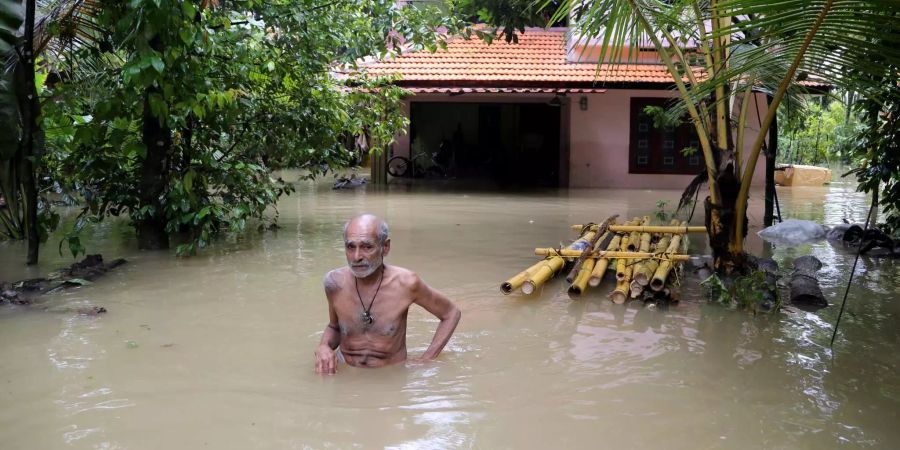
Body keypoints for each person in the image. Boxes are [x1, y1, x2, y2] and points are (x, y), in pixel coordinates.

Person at [314, 214, 461, 374]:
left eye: (367, 247)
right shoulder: (334, 283)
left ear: (385, 247)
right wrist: (324, 346)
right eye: (351, 247)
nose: (357, 257)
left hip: (390, 376)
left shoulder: (406, 283)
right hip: (346, 371)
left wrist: (426, 360)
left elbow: (451, 313)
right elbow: (334, 327)